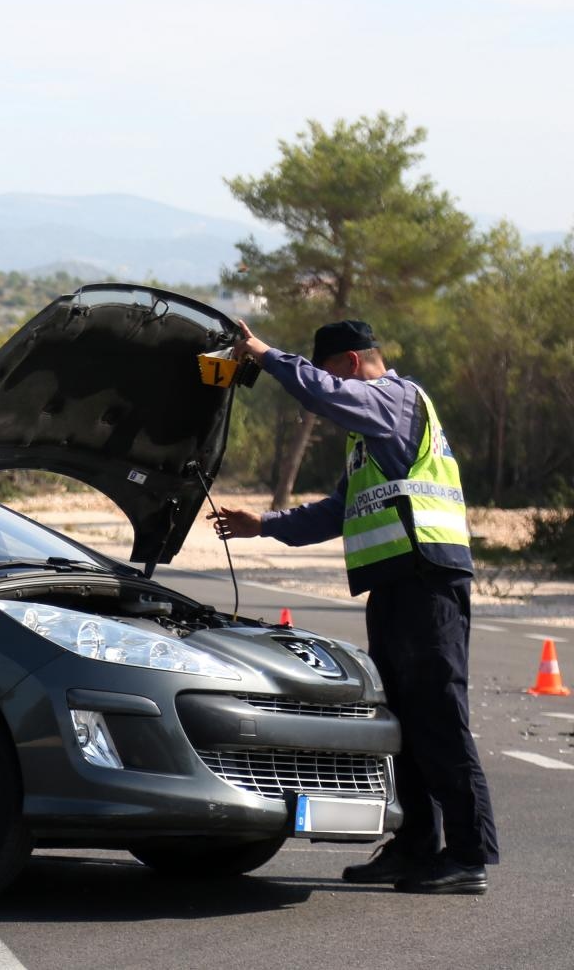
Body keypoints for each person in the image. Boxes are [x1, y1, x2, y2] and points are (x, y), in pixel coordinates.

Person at [210, 319, 498, 895]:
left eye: (329, 374)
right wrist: (264, 525)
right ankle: (416, 846)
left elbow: (324, 393)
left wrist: (265, 354)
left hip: (427, 582)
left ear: (348, 363)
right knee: (403, 722)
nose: (326, 391)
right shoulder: (369, 440)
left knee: (439, 716)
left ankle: (469, 855)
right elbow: (337, 511)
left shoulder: (394, 399)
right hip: (395, 585)